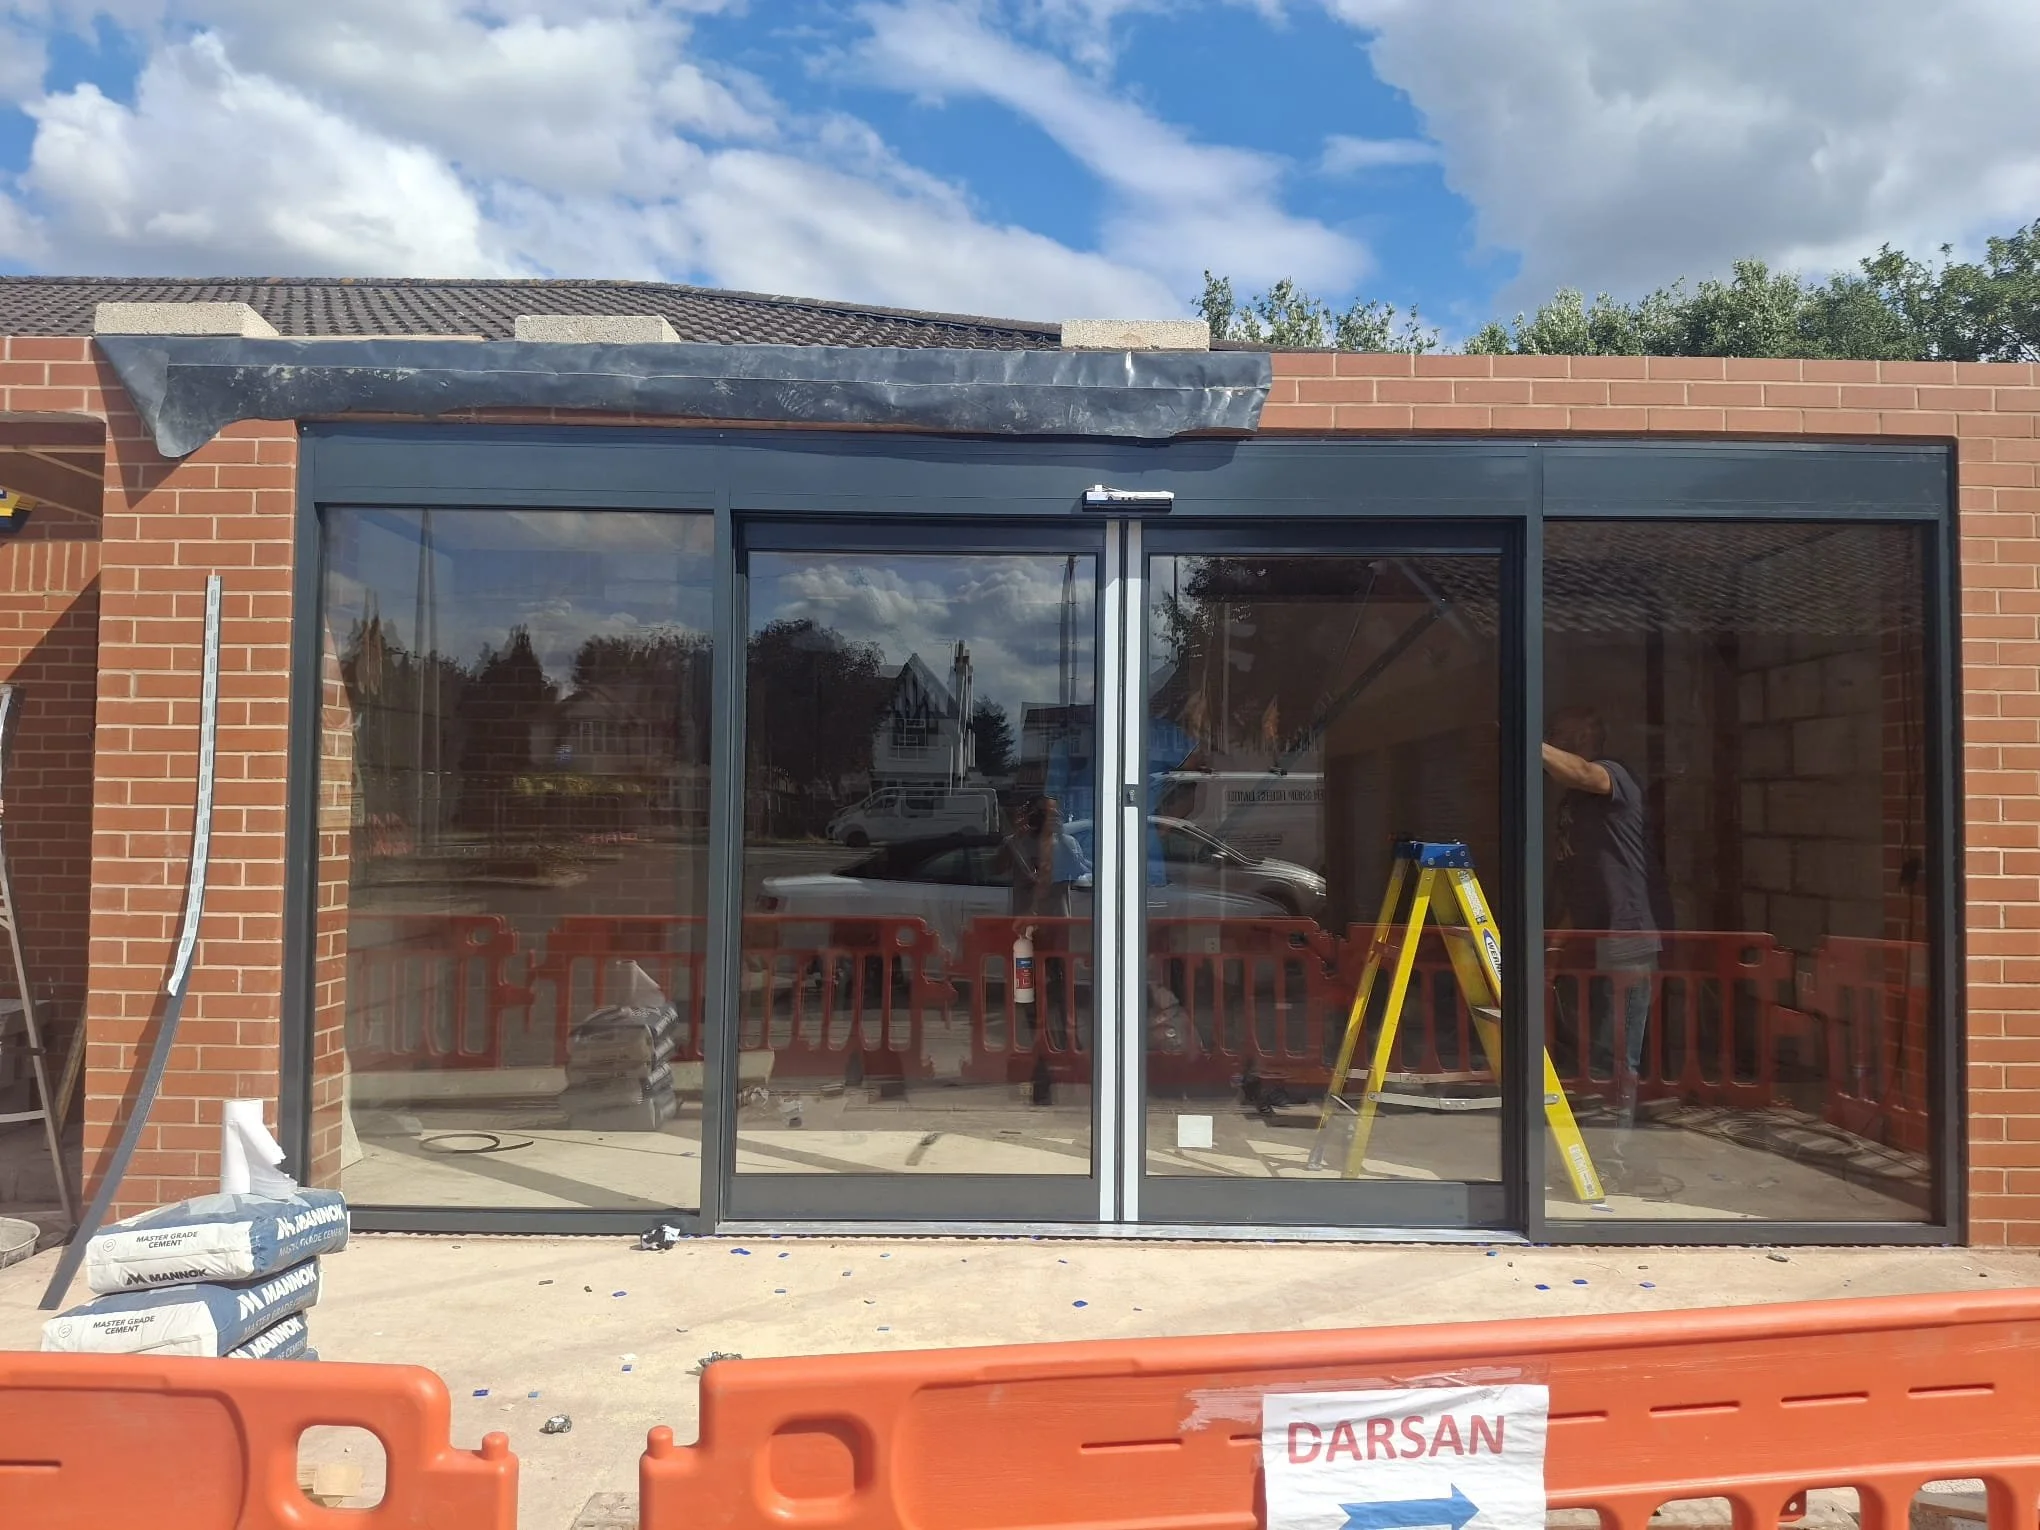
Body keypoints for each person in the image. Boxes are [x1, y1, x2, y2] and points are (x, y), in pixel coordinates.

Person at [1542, 706, 1662, 1179]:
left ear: (1588, 732)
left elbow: (1585, 772)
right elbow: (1579, 881)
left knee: (1617, 1054)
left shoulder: (1615, 777)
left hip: (1626, 937)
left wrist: (1525, 739)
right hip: (1591, 941)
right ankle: (1586, 1150)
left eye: (1559, 733)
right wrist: (1558, 946)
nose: (1553, 740)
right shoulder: (1571, 805)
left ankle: (1611, 1159)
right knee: (1590, 1050)